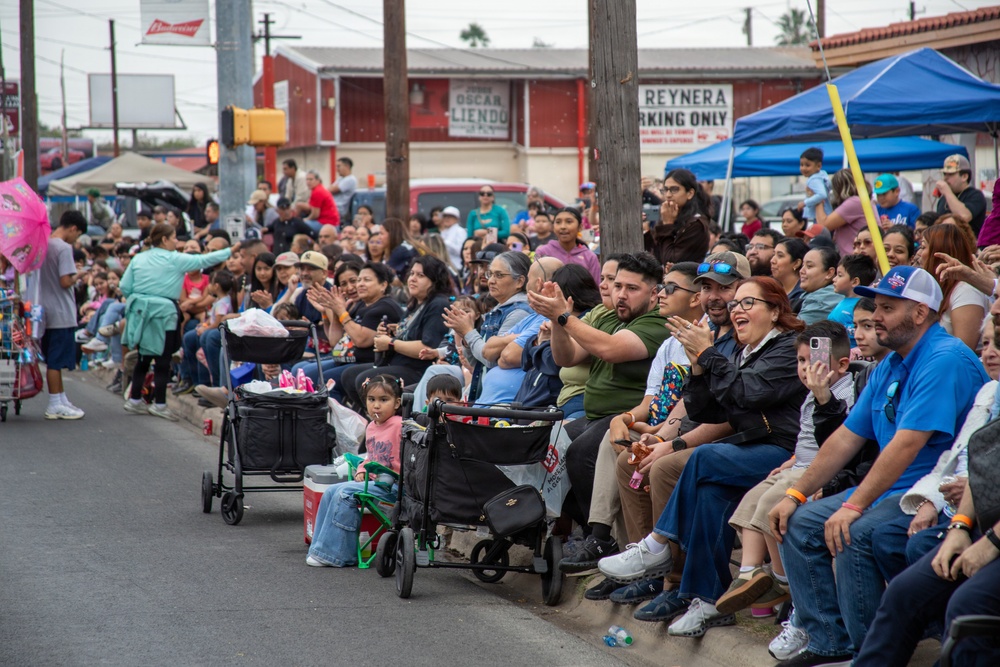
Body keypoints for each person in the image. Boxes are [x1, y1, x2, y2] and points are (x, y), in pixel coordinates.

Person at [768, 265, 989, 667]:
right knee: (798, 521)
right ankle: (827, 642)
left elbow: (907, 445)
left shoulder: (944, 358)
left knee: (856, 528)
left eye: (887, 308)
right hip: (889, 490)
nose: (875, 316)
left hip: (928, 494)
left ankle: (869, 653)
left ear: (920, 313)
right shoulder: (890, 363)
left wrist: (852, 506)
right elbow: (847, 438)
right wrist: (795, 492)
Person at [598, 277, 808, 634]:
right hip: (753, 445)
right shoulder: (744, 351)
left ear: (775, 311)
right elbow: (706, 409)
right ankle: (708, 601)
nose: (736, 310)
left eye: (747, 303)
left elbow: (749, 394)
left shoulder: (786, 348)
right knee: (711, 495)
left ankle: (657, 544)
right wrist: (698, 365)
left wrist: (709, 355)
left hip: (784, 451)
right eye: (735, 304)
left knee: (702, 458)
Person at [560, 259, 734, 585]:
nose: (661, 294)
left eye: (668, 288)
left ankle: (663, 572)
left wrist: (664, 434)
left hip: (696, 433)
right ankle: (634, 560)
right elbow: (650, 402)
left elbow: (703, 406)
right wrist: (624, 419)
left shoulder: (717, 341)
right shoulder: (671, 341)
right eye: (708, 286)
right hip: (663, 426)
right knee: (617, 450)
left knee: (640, 459)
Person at [718, 321, 855, 619]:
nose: (806, 368)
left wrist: (823, 398)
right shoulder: (811, 393)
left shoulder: (844, 394)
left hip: (819, 471)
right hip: (800, 464)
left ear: (842, 364)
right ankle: (749, 573)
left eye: (815, 360)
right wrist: (791, 460)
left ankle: (781, 580)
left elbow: (837, 442)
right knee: (753, 497)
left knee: (770, 504)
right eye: (801, 361)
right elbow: (805, 439)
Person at [528, 252, 671, 535]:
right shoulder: (608, 316)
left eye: (632, 289)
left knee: (580, 454)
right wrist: (557, 322)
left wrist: (563, 316)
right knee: (543, 446)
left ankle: (601, 538)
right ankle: (581, 530)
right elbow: (566, 357)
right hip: (596, 416)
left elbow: (610, 349)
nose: (620, 295)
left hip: (625, 416)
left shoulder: (657, 322)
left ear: (654, 294)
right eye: (617, 286)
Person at [121, 224, 238, 420]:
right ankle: (159, 403)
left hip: (140, 311)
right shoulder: (174, 259)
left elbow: (124, 286)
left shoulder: (139, 258)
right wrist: (231, 250)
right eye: (174, 237)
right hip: (164, 313)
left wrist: (140, 298)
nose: (177, 242)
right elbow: (204, 259)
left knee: (144, 356)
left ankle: (134, 399)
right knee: (163, 358)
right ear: (165, 240)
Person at [306, 374, 404, 568]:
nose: (376, 405)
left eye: (384, 400)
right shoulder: (372, 427)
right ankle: (320, 548)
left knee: (344, 493)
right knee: (331, 491)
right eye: (371, 400)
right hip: (374, 483)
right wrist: (361, 468)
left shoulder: (400, 425)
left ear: (397, 403)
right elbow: (370, 456)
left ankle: (337, 554)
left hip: (393, 488)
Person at [342, 256, 453, 407]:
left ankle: (390, 423)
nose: (413, 279)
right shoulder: (415, 303)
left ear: (434, 281)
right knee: (349, 375)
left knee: (365, 379)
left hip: (418, 369)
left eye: (420, 275)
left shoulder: (438, 304)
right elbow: (408, 335)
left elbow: (427, 348)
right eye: (412, 274)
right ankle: (373, 420)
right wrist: (391, 333)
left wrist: (391, 343)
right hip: (399, 363)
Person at [295, 261, 402, 398]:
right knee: (301, 370)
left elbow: (361, 340)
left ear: (383, 285)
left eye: (366, 280)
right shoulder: (361, 305)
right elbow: (336, 341)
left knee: (325, 379)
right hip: (345, 359)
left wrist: (340, 311)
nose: (359, 284)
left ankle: (333, 419)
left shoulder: (384, 307)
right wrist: (328, 310)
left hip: (368, 363)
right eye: (359, 280)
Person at [443, 251, 535, 404]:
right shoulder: (498, 309)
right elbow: (476, 362)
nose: (491, 280)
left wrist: (468, 331)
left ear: (519, 281)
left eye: (499, 275)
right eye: (490, 274)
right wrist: (465, 335)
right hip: (485, 394)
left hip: (502, 400)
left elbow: (491, 359)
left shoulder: (519, 312)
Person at [38, 211, 87, 419]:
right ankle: (55, 403)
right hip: (60, 309)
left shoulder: (43, 244)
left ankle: (60, 397)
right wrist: (80, 275)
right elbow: (65, 281)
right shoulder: (64, 248)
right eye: (78, 234)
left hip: (44, 307)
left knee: (52, 357)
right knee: (56, 361)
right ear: (73, 228)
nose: (76, 239)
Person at [921, 224, 989, 351]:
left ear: (939, 252)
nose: (919, 253)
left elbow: (963, 350)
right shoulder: (935, 289)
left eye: (923, 247)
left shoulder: (967, 290)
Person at [644, 168, 710, 265]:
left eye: (674, 190)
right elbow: (654, 257)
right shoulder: (670, 217)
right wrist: (647, 232)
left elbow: (670, 261)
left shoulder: (696, 224)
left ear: (690, 193)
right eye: (665, 190)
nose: (668, 195)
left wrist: (667, 225)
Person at [534, 207, 600, 284]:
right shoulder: (543, 252)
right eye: (558, 222)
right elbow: (536, 284)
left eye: (569, 222)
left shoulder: (589, 257)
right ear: (553, 227)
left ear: (580, 227)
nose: (563, 227)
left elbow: (596, 289)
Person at [817, 168, 870, 257]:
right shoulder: (862, 201)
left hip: (856, 258)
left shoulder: (855, 202)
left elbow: (823, 225)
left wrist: (817, 198)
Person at [827, 253, 877, 347]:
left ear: (855, 281)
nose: (834, 279)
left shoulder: (862, 308)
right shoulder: (844, 302)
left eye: (840, 275)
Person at [934, 154, 987, 237]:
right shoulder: (943, 200)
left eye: (950, 174)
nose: (945, 179)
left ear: (964, 176)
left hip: (970, 246)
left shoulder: (975, 195)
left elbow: (964, 216)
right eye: (945, 174)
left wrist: (947, 192)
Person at [797, 247, 842, 324]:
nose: (801, 271)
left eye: (809, 266)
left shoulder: (823, 300)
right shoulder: (811, 293)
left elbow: (795, 330)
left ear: (829, 273)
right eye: (802, 265)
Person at [771, 237, 808, 312]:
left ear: (796, 263)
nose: (772, 260)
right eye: (773, 255)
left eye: (780, 256)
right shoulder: (771, 288)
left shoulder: (802, 296)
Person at [797, 147, 832, 225]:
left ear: (818, 166)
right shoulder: (822, 176)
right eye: (801, 165)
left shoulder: (814, 179)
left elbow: (822, 194)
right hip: (826, 213)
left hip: (821, 215)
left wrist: (805, 203)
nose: (803, 168)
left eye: (807, 165)